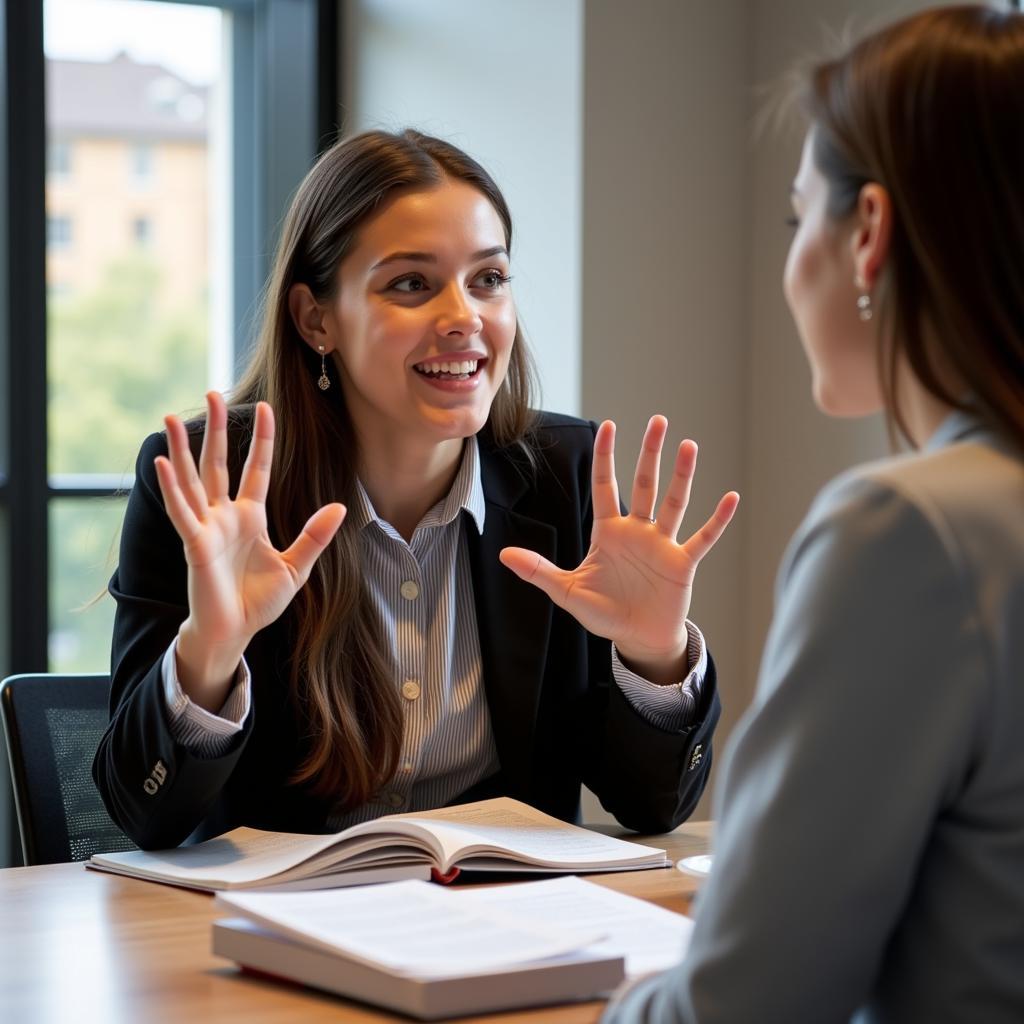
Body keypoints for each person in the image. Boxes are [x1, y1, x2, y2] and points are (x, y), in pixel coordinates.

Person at [93, 128, 739, 850]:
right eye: (411, 284)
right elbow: (141, 814)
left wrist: (654, 657)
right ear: (317, 320)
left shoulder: (566, 476)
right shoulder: (212, 490)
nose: (463, 317)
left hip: (500, 928)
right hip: (271, 935)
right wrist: (209, 651)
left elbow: (652, 806)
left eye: (487, 279)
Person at [603, 6, 1024, 1023]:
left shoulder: (907, 532)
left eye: (800, 220)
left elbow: (747, 1007)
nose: (793, 263)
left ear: (868, 234)